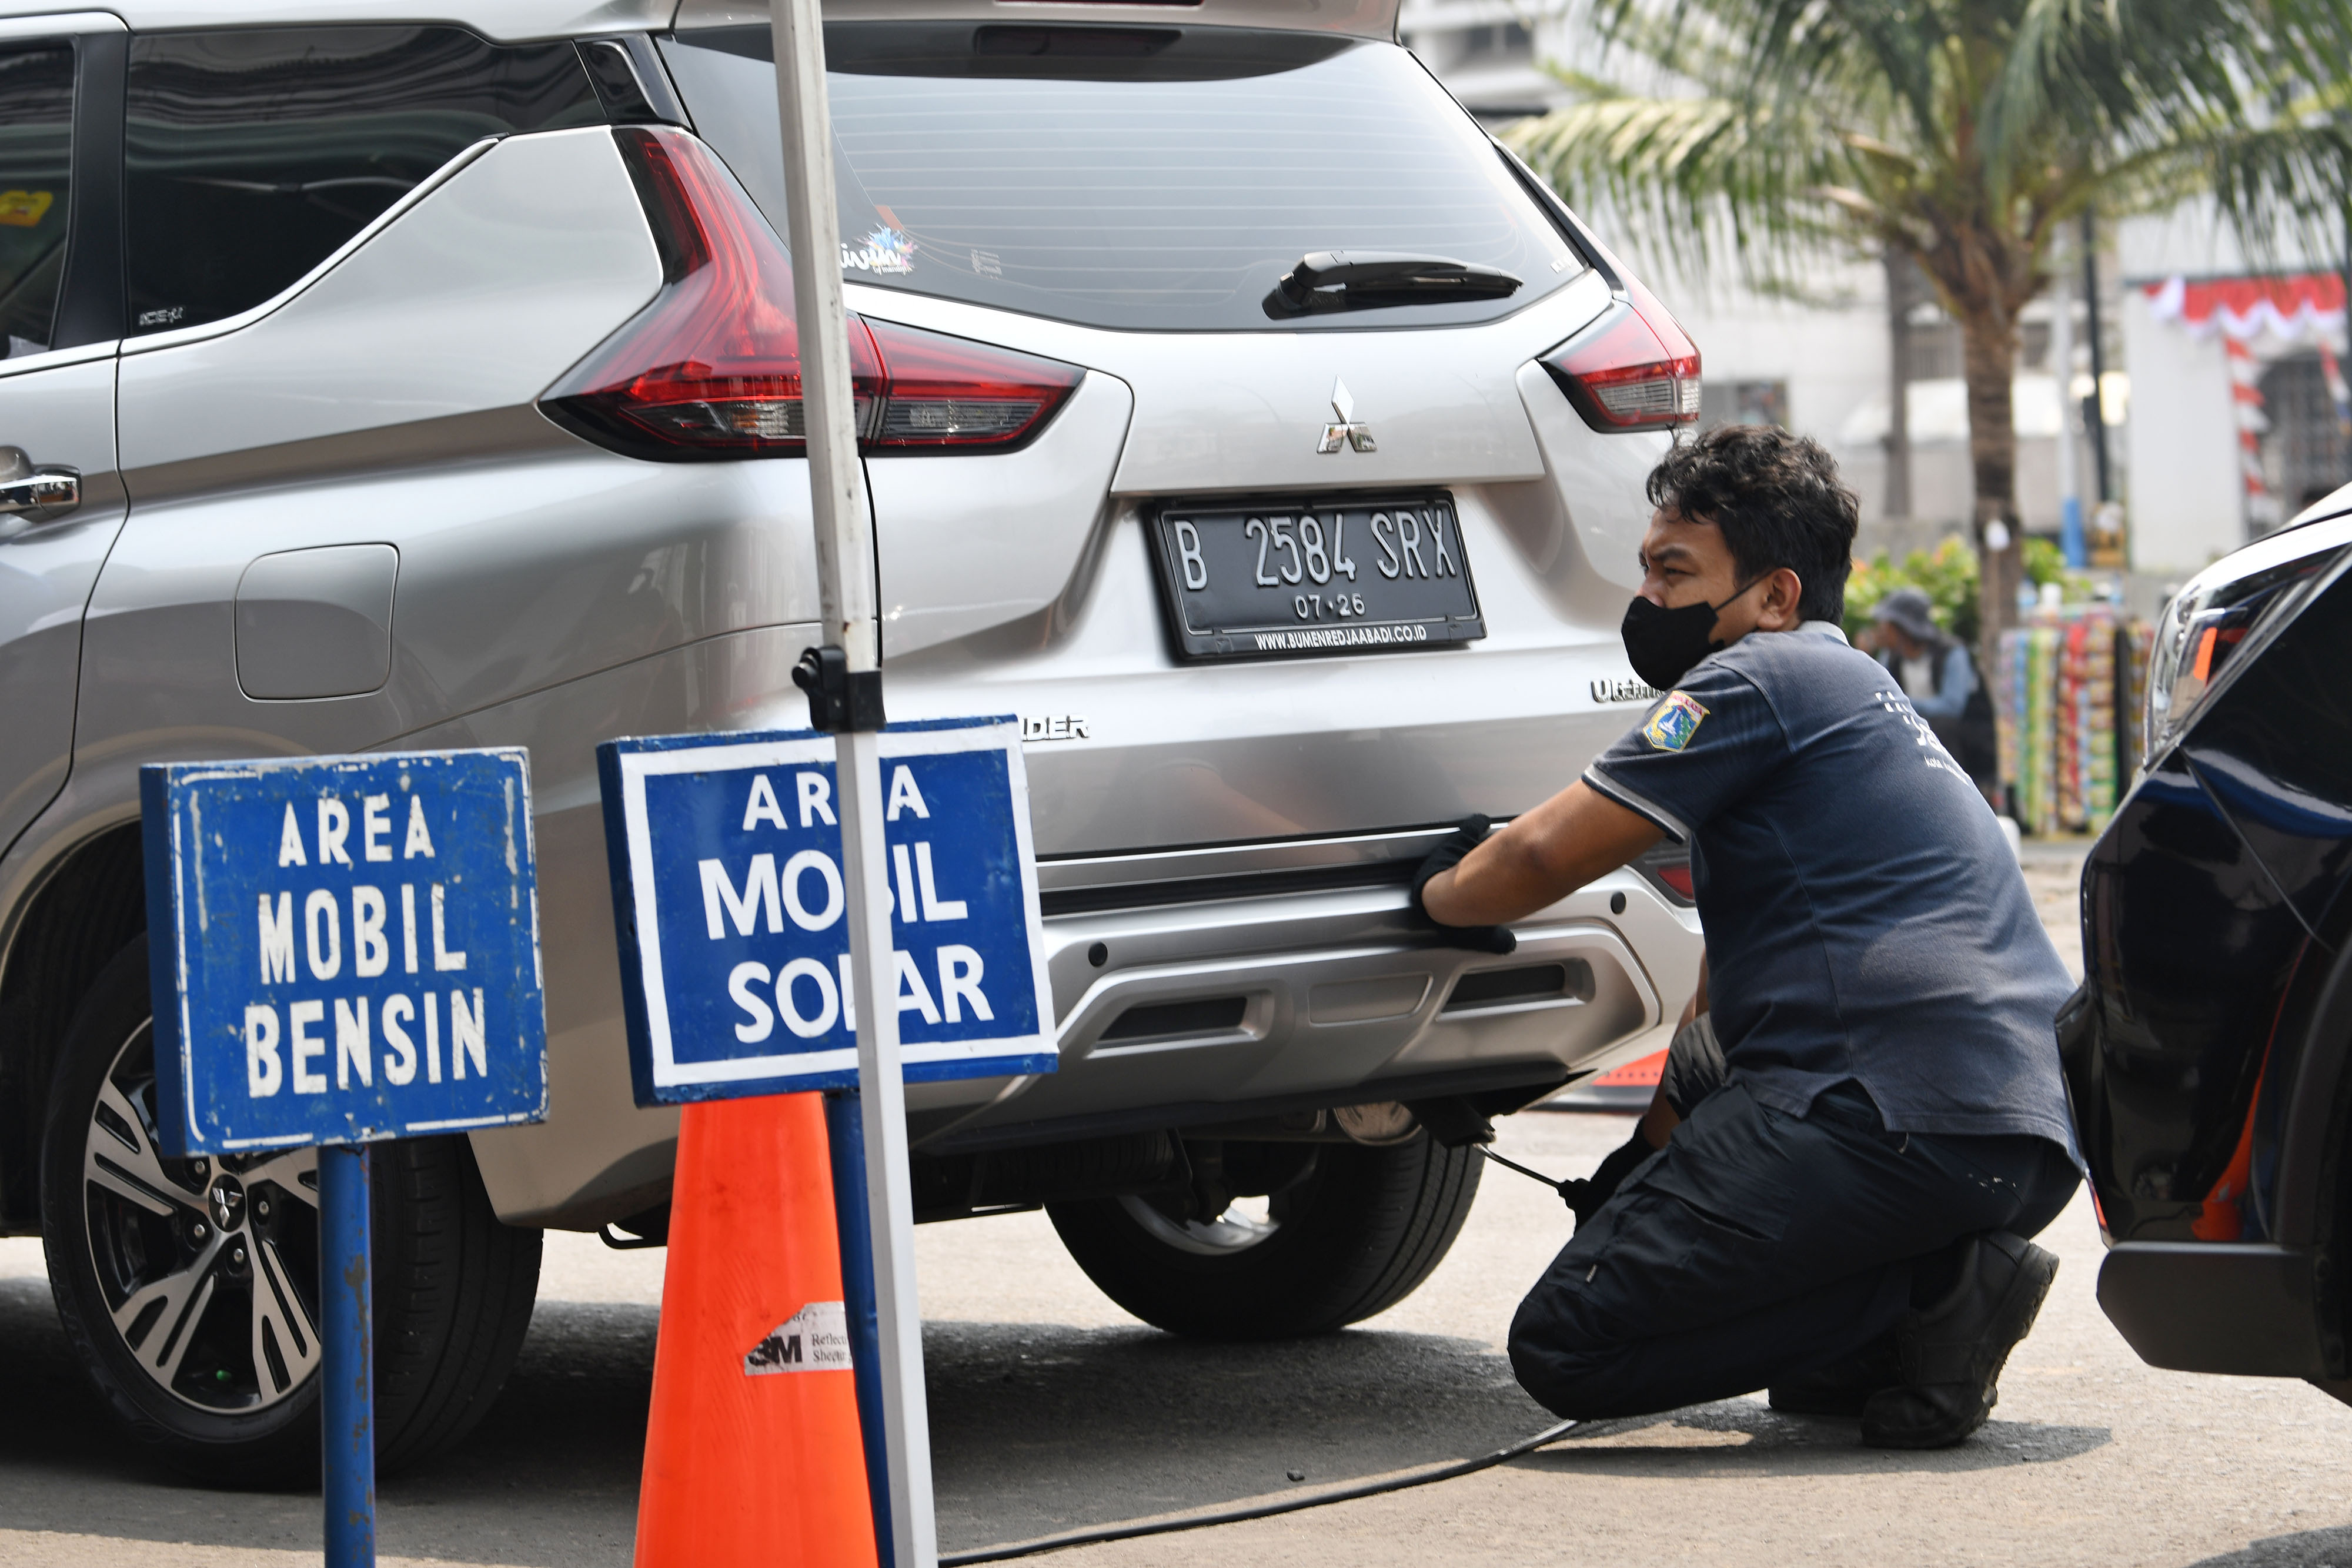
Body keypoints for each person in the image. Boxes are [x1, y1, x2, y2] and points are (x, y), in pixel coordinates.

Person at [1415, 425, 2079, 1449]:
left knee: (1567, 1344)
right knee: (1807, 1380)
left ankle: (1939, 1289)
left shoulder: (1752, 680)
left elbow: (1542, 857)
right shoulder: (1852, 691)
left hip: (1891, 1121)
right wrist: (1639, 1176)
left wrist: (1440, 893)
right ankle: (1912, 1327)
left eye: (1676, 572)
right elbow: (1717, 1024)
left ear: (1774, 595)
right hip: (2014, 1138)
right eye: (1646, 568)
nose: (1650, 600)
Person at [1864, 586, 1996, 792]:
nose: (1881, 631)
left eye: (1886, 625)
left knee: (1942, 724)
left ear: (1902, 629)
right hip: (1916, 756)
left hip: (1961, 755)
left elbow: (1952, 706)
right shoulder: (1891, 657)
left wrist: (1902, 704)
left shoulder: (1952, 654)